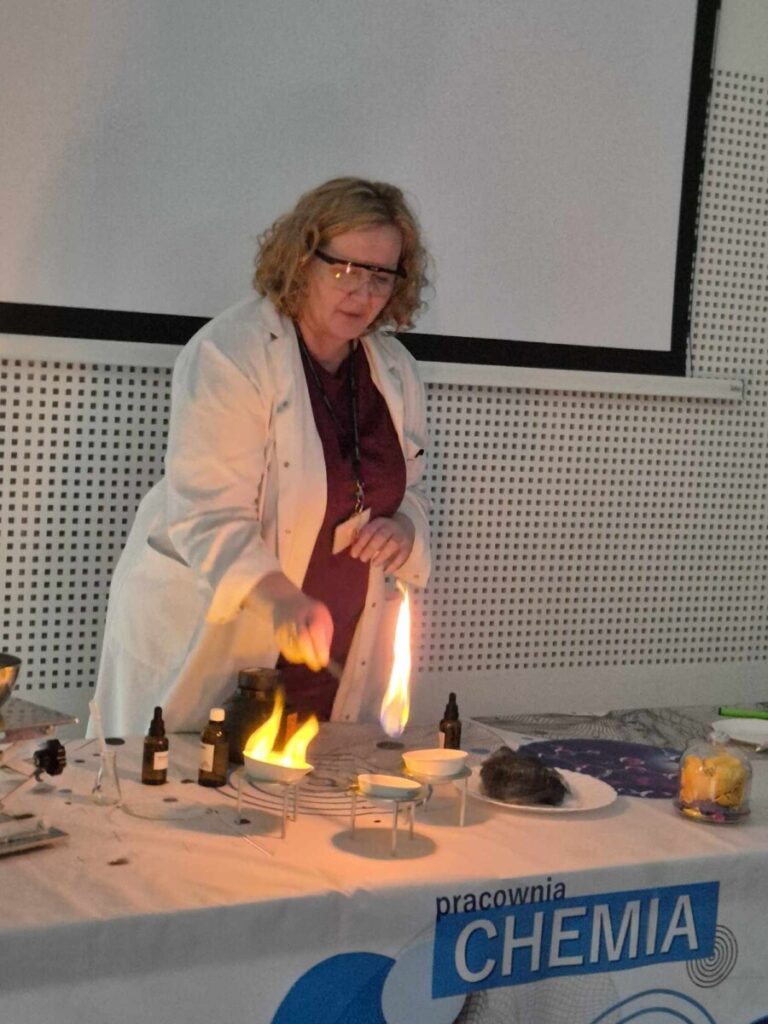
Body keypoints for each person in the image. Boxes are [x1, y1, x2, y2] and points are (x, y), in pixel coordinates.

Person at [90, 177, 431, 736]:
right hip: (213, 642)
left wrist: (404, 530)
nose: (363, 293)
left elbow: (408, 488)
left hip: (331, 654)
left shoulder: (393, 369)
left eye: (380, 276)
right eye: (345, 269)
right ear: (303, 258)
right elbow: (207, 514)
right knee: (187, 776)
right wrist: (280, 600)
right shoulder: (232, 353)